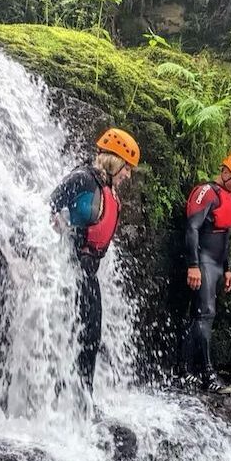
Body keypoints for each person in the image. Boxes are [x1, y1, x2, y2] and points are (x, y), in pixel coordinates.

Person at [50, 127, 140, 391]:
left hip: (87, 273)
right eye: (127, 167)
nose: (128, 174)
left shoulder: (107, 189)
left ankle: (82, 398)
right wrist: (56, 224)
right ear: (114, 161)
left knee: (91, 337)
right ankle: (67, 398)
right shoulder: (83, 179)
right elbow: (48, 205)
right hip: (69, 268)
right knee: (79, 335)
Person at [180, 151, 231, 394]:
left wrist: (228, 268)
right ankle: (206, 372)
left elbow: (228, 238)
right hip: (203, 261)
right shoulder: (207, 192)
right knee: (204, 315)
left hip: (218, 264)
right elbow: (192, 228)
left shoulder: (230, 199)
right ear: (225, 172)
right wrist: (193, 264)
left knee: (203, 316)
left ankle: (188, 371)